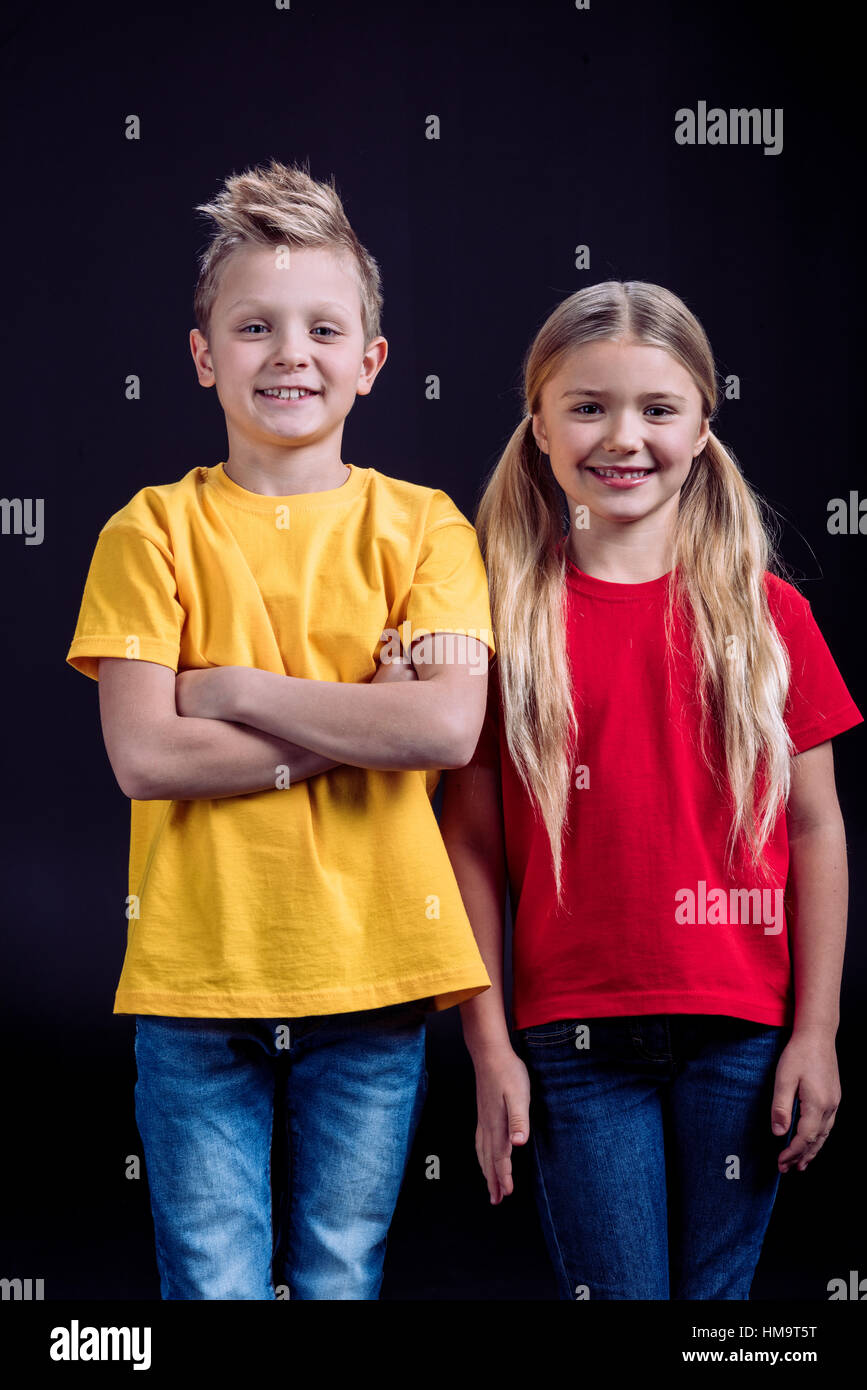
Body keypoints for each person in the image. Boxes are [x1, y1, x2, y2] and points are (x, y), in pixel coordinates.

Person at [65, 158, 494, 1300]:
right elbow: (146, 754)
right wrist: (360, 721)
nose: (289, 354)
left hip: (375, 973)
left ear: (371, 362)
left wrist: (236, 686)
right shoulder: (148, 530)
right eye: (254, 327)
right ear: (205, 356)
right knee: (213, 1283)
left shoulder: (427, 528)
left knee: (341, 1274)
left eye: (321, 328)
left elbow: (447, 728)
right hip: (197, 976)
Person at [440, 280, 862, 1300]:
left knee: (716, 1315)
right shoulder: (501, 623)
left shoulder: (768, 616)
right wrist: (489, 1047)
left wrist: (816, 1031)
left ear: (703, 425)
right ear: (538, 423)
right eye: (588, 406)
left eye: (658, 409)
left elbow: (816, 829)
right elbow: (469, 848)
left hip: (743, 1034)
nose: (622, 437)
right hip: (575, 1040)